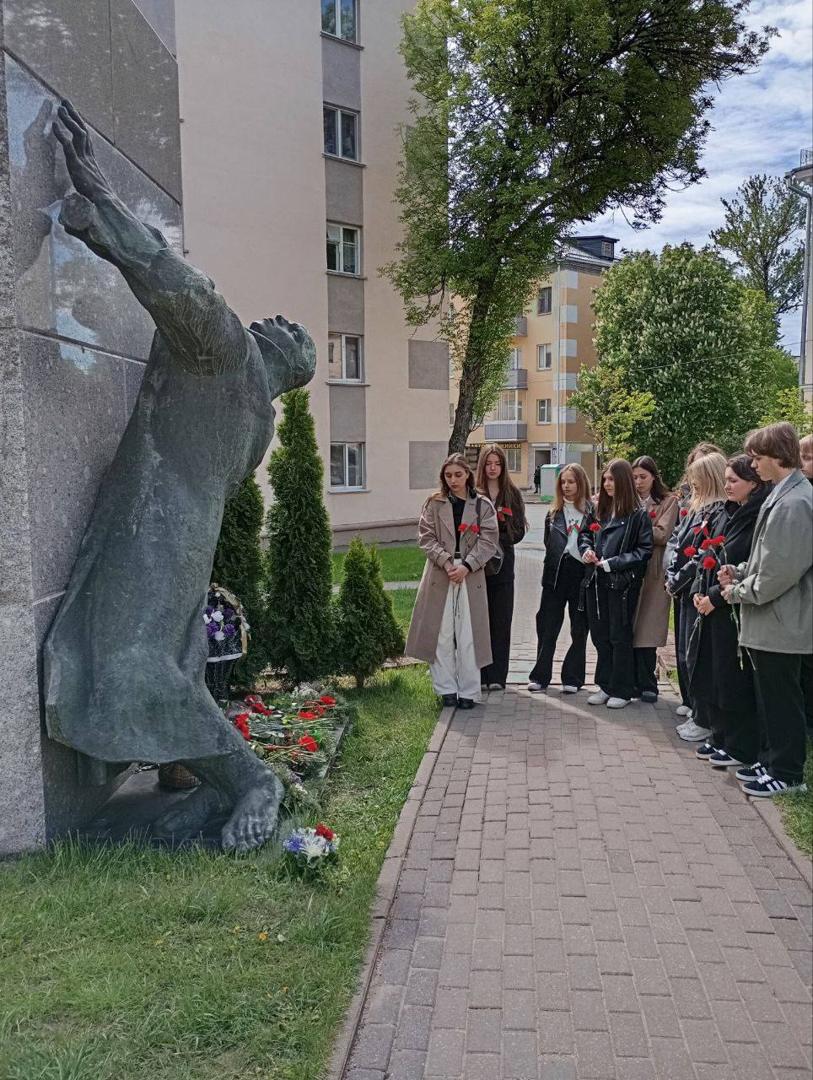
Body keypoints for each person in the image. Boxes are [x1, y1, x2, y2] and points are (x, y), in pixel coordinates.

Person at [43, 102, 316, 853]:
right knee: (146, 660)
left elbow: (179, 289)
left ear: (286, 368)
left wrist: (101, 205)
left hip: (159, 531)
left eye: (292, 335)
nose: (279, 322)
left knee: (127, 665)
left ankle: (251, 779)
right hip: (177, 540)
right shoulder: (254, 418)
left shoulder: (228, 358)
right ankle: (210, 790)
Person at [720, 423, 813, 797]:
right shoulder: (784, 495)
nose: (753, 465)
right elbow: (767, 558)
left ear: (778, 456)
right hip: (771, 619)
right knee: (769, 696)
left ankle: (788, 773)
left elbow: (780, 572)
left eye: (757, 458)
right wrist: (740, 570)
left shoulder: (795, 502)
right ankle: (774, 759)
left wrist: (738, 590)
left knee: (781, 699)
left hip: (783, 620)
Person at [686, 456, 769, 769]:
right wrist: (698, 590)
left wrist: (714, 598)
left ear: (753, 483)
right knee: (713, 672)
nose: (727, 485)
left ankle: (739, 743)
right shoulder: (727, 511)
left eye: (734, 480)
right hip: (711, 602)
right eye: (726, 479)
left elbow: (745, 562)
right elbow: (708, 550)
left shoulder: (755, 516)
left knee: (732, 676)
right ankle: (719, 735)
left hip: (732, 605)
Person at [406, 454, 499, 709]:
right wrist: (447, 562)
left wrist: (467, 565)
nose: (453, 480)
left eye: (458, 474)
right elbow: (425, 537)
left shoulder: (482, 505)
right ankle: (446, 688)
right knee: (441, 632)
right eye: (449, 475)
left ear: (467, 475)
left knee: (469, 632)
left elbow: (489, 540)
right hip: (440, 572)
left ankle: (469, 691)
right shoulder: (434, 504)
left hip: (470, 573)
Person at [579, 459, 653, 708]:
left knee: (619, 635)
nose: (607, 484)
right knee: (599, 634)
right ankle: (604, 684)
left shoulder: (637, 514)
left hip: (621, 584)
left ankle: (622, 688)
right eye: (605, 479)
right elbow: (585, 534)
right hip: (595, 580)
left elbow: (644, 550)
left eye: (612, 479)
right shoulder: (597, 508)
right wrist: (587, 550)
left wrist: (614, 563)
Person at [665, 452, 727, 742]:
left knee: (696, 654)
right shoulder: (697, 509)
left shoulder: (717, 512)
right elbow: (679, 543)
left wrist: (679, 578)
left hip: (700, 589)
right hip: (686, 590)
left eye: (697, 480)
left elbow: (705, 553)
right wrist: (673, 575)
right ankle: (696, 709)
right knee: (685, 652)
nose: (692, 486)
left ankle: (703, 717)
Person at [528, 464, 592, 694]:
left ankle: (572, 678)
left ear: (581, 483)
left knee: (579, 627)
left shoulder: (592, 511)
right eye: (563, 482)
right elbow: (549, 543)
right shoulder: (553, 512)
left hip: (581, 574)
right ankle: (540, 676)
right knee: (547, 625)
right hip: (555, 574)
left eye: (571, 482)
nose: (566, 486)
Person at [476, 445, 528, 690]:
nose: (493, 468)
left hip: (504, 567)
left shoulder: (512, 494)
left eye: (497, 463)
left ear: (503, 466)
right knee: (480, 622)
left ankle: (497, 677)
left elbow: (519, 531)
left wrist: (501, 529)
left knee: (501, 621)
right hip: (477, 567)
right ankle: (480, 675)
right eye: (488, 463)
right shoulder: (474, 494)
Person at [631, 456, 679, 702]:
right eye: (635, 477)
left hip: (653, 570)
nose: (639, 482)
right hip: (629, 569)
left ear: (654, 477)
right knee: (628, 627)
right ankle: (630, 682)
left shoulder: (668, 501)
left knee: (647, 629)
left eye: (643, 477)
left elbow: (662, 533)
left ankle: (648, 683)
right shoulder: (627, 501)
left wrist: (634, 528)